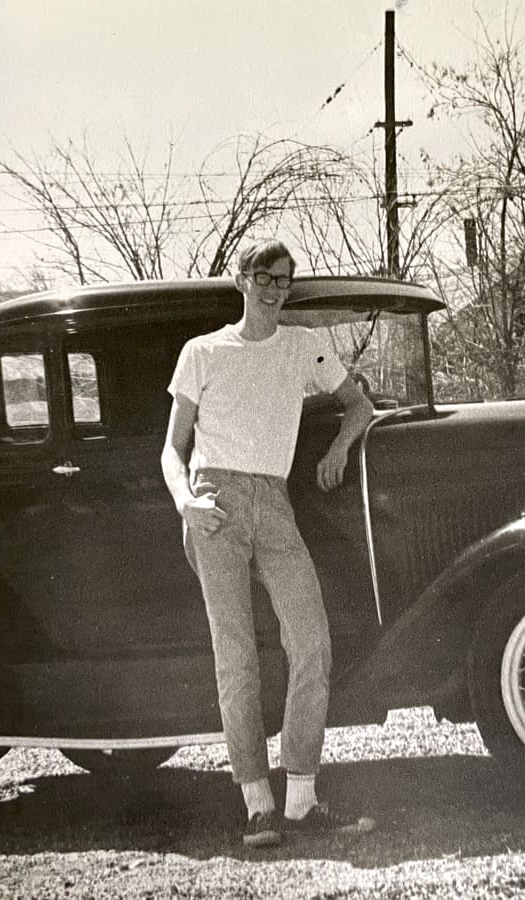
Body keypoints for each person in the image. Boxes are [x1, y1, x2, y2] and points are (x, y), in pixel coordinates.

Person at [161, 239, 376, 848]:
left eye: (283, 279)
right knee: (237, 658)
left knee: (311, 641)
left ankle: (303, 800)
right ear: (241, 279)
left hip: (275, 502)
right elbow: (172, 447)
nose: (274, 287)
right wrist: (186, 501)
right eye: (263, 276)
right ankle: (259, 805)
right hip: (215, 505)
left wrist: (338, 451)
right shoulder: (202, 352)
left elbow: (357, 406)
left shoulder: (303, 347)